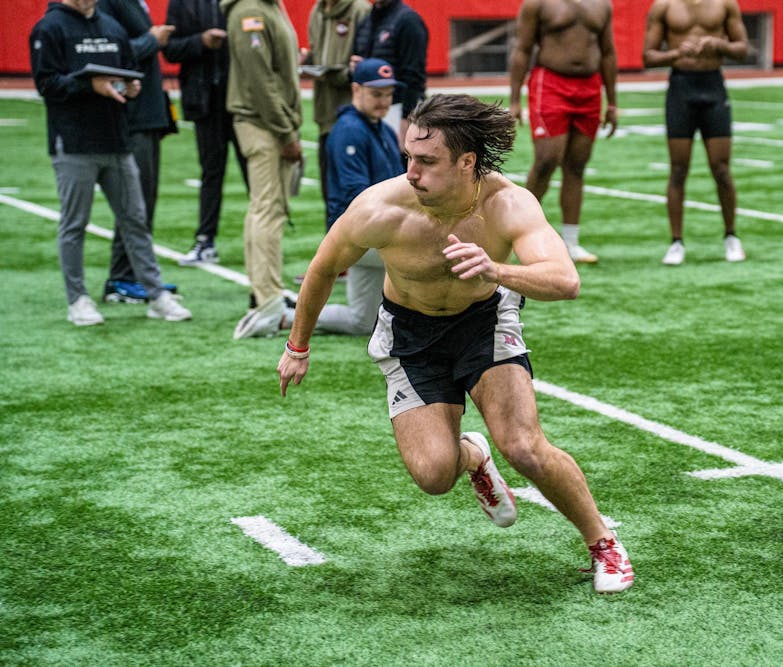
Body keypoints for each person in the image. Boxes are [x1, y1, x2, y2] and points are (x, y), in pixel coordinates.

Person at [277, 94, 634, 594]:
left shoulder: (506, 203)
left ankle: (603, 542)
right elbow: (320, 269)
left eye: (427, 161)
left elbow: (565, 280)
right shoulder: (381, 206)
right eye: (408, 158)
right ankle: (472, 457)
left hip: (483, 321)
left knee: (524, 447)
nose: (412, 172)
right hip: (409, 335)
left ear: (467, 162)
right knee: (433, 475)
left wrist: (496, 269)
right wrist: (298, 347)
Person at [29, 0, 191, 326]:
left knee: (135, 220)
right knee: (74, 224)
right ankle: (78, 300)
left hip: (118, 141)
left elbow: (129, 71)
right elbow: (46, 84)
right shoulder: (49, 27)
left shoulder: (111, 27)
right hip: (74, 144)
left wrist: (129, 88)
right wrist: (89, 84)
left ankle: (156, 294)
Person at [282, 58, 403, 336]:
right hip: (360, 237)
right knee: (431, 254)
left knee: (362, 321)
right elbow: (357, 196)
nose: (384, 101)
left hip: (374, 232)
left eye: (388, 94)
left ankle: (286, 314)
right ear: (356, 90)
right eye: (376, 93)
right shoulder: (350, 130)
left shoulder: (382, 128)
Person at [508, 0, 618, 265]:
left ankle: (571, 242)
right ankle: (521, 236)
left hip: (590, 87)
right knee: (546, 161)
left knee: (577, 165)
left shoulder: (602, 4)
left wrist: (612, 101)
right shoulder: (538, 3)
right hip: (551, 83)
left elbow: (608, 52)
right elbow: (522, 48)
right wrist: (514, 99)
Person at [643, 0, 749, 265]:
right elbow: (648, 57)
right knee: (678, 169)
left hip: (713, 85)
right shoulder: (664, 6)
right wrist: (676, 53)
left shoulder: (725, 4)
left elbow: (743, 49)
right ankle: (676, 242)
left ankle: (731, 236)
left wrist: (719, 45)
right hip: (681, 88)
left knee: (721, 168)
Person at [222, 0, 303, 339]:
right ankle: (267, 297)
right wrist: (285, 131)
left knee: (266, 208)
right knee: (267, 210)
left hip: (271, 123)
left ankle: (266, 290)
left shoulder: (268, 7)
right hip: (264, 125)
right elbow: (260, 79)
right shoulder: (249, 12)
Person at [98, 0, 178, 303]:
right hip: (134, 116)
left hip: (148, 114)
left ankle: (137, 276)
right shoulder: (108, 4)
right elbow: (110, 52)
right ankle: (121, 278)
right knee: (135, 202)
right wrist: (151, 41)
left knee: (144, 198)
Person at [163, 0, 250, 266]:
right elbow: (170, 49)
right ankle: (205, 240)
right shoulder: (181, 3)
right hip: (205, 101)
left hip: (243, 101)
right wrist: (200, 41)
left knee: (255, 174)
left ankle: (263, 239)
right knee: (211, 172)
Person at [301, 0, 370, 207]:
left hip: (353, 117)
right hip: (325, 116)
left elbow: (367, 65)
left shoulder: (360, 10)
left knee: (356, 197)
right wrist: (304, 59)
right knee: (330, 196)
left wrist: (347, 72)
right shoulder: (317, 10)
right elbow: (316, 53)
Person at [351, 0, 427, 152]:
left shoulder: (409, 21)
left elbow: (414, 77)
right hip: (370, 111)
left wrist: (406, 120)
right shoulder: (366, 20)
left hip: (396, 111)